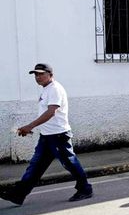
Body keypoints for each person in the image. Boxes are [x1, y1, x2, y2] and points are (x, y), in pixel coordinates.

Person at [0, 64, 93, 206]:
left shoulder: (55, 89)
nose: (37, 77)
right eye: (35, 75)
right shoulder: (46, 89)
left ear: (50, 74)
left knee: (70, 163)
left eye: (41, 74)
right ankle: (18, 195)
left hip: (58, 136)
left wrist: (30, 126)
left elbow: (51, 112)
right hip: (47, 136)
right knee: (35, 166)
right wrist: (36, 128)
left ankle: (85, 189)